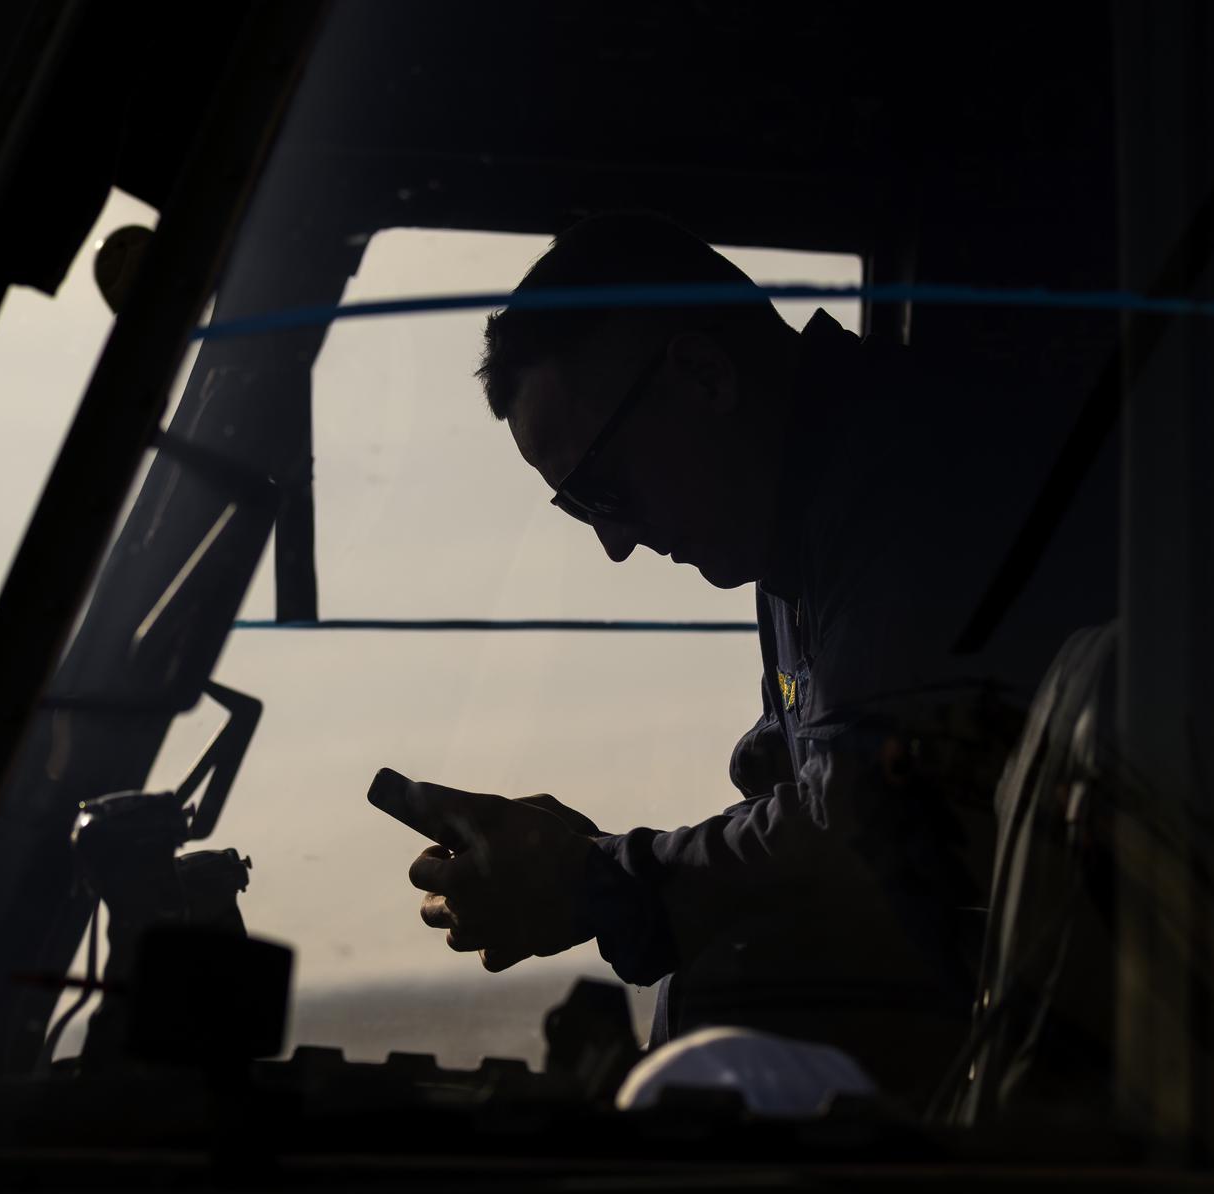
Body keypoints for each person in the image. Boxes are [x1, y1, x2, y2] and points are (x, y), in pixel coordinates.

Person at [371, 213, 1116, 1102]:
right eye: (579, 510)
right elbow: (805, 792)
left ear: (702, 374)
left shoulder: (912, 468)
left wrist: (598, 881)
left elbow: (868, 827)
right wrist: (591, 865)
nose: (615, 542)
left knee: (747, 988)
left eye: (604, 489)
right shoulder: (796, 521)